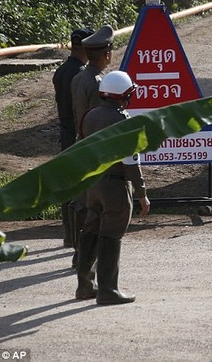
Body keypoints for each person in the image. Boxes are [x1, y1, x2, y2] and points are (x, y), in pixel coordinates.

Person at [75, 71, 150, 305]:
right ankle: (108, 290)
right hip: (115, 187)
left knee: (91, 231)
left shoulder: (89, 116)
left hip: (93, 185)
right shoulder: (123, 120)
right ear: (125, 95)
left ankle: (85, 286)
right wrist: (142, 194)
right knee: (111, 235)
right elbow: (130, 160)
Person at [68, 25, 114, 267]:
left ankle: (78, 252)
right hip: (94, 147)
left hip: (80, 142)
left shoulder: (78, 77)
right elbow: (100, 119)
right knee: (94, 206)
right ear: (106, 54)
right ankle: (85, 257)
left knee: (81, 203)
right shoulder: (98, 83)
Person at [52, 26, 94, 248]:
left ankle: (69, 235)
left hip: (65, 134)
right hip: (78, 135)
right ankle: (78, 239)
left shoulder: (61, 71)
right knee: (80, 191)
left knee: (67, 188)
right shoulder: (81, 75)